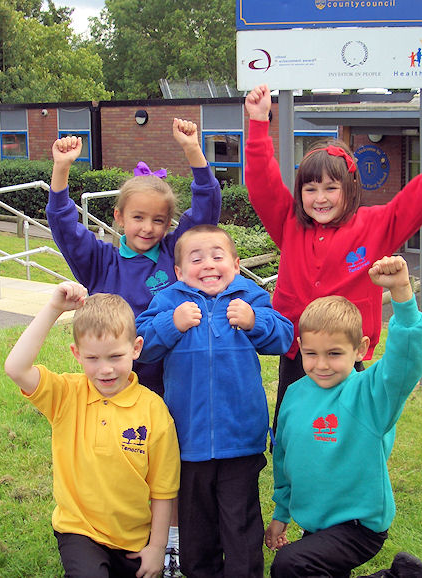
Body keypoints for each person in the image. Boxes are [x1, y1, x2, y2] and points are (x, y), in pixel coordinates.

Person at [243, 83, 422, 437]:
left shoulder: (375, 226)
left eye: (330, 188)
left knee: (348, 436)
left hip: (347, 357)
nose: (320, 198)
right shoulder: (289, 223)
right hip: (297, 354)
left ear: (350, 188)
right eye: (310, 189)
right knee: (292, 434)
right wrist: (259, 123)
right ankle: (293, 488)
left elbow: (421, 195)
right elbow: (261, 182)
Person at [46, 118, 221, 574]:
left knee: (166, 463)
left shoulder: (172, 256)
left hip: (167, 383)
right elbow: (64, 225)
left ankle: (171, 544)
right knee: (121, 462)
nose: (147, 228)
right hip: (109, 386)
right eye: (138, 218)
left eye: (159, 220)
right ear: (119, 218)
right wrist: (61, 170)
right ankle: (104, 528)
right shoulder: (99, 258)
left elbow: (207, 213)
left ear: (169, 225)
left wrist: (194, 153)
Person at [135, 224, 294, 578]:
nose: (207, 264)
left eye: (217, 256)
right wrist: (171, 325)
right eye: (196, 258)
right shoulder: (169, 301)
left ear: (236, 265)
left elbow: (284, 335)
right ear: (178, 272)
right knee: (197, 531)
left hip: (240, 440)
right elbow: (140, 345)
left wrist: (254, 322)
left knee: (241, 526)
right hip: (187, 442)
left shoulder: (248, 296)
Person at [264, 255, 422, 578]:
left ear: (360, 349)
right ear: (300, 347)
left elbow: (406, 359)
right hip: (317, 525)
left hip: (359, 526)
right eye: (312, 353)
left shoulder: (370, 396)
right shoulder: (296, 394)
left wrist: (401, 292)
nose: (322, 364)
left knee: (291, 565)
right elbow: (286, 460)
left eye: (335, 354)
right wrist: (281, 512)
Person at [4, 282, 180, 578]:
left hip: (133, 538)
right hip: (79, 529)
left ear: (136, 348)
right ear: (76, 354)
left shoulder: (154, 411)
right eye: (93, 358)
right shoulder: (65, 395)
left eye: (115, 357)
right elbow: (16, 368)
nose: (105, 370)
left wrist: (157, 547)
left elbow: (163, 490)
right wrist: (53, 309)